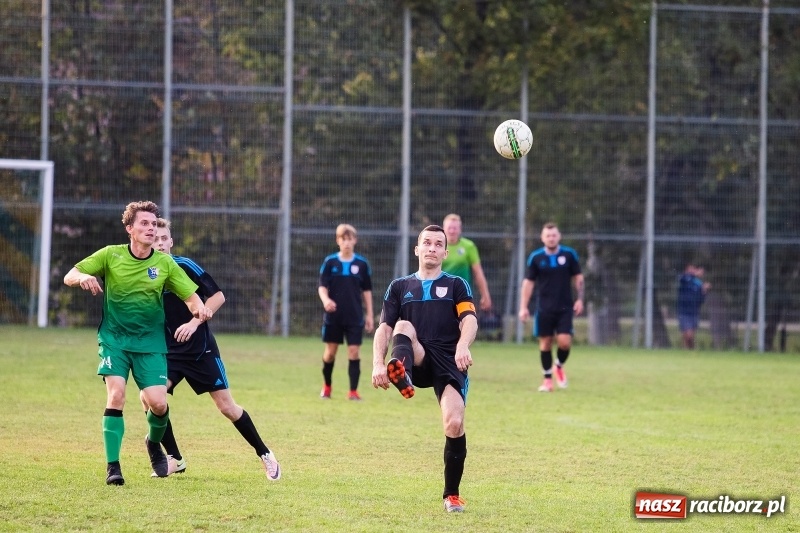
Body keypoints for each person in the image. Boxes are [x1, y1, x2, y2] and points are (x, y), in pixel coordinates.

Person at [63, 201, 211, 486]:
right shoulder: (110, 255)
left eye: (154, 224)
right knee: (116, 395)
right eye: (144, 223)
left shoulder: (164, 264)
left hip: (150, 344)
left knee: (158, 404)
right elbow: (70, 275)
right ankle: (113, 467)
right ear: (129, 228)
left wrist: (198, 310)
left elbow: (191, 297)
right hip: (115, 340)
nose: (151, 228)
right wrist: (84, 277)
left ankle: (153, 443)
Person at [140, 218, 281, 480]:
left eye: (164, 239)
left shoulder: (184, 266)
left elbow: (218, 297)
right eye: (155, 238)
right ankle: (175, 458)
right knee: (150, 398)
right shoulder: (144, 272)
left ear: (171, 242)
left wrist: (194, 323)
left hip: (200, 351)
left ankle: (265, 454)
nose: (159, 243)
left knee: (227, 408)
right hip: (168, 353)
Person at [372, 225, 478, 513]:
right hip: (416, 356)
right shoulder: (399, 286)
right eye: (427, 243)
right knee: (403, 325)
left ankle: (452, 495)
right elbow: (384, 329)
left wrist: (463, 345)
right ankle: (402, 374)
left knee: (454, 423)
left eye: (438, 244)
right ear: (417, 249)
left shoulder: (456, 284)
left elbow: (469, 319)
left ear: (445, 252)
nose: (432, 248)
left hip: (448, 360)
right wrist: (378, 363)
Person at [517, 222, 584, 393]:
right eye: (548, 235)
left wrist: (580, 299)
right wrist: (523, 307)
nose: (551, 238)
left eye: (554, 235)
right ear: (542, 238)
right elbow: (528, 283)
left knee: (564, 342)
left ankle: (558, 366)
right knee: (545, 343)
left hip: (565, 308)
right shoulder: (536, 257)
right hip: (544, 308)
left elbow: (578, 278)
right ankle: (547, 381)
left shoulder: (569, 255)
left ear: (559, 236)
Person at [318, 224, 374, 400]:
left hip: (354, 316)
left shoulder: (362, 264)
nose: (347, 242)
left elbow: (367, 291)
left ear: (355, 240)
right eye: (343, 239)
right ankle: (327, 386)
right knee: (330, 353)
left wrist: (370, 315)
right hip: (334, 316)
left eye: (350, 239)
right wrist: (326, 300)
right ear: (338, 241)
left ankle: (353, 392)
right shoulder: (330, 262)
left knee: (354, 352)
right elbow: (322, 287)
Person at [441, 213, 493, 312]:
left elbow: (478, 272)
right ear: (443, 229)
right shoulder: (438, 246)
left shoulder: (469, 246)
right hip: (441, 293)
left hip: (462, 294)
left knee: (466, 320)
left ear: (460, 229)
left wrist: (485, 295)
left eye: (455, 228)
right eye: (449, 228)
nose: (452, 231)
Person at [677, 263, 711, 349]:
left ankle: (689, 350)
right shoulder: (684, 279)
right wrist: (694, 274)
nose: (692, 271)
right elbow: (683, 278)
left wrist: (704, 291)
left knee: (690, 336)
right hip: (683, 311)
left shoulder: (698, 283)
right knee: (687, 335)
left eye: (694, 269)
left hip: (694, 312)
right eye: (690, 269)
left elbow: (701, 300)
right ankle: (688, 350)